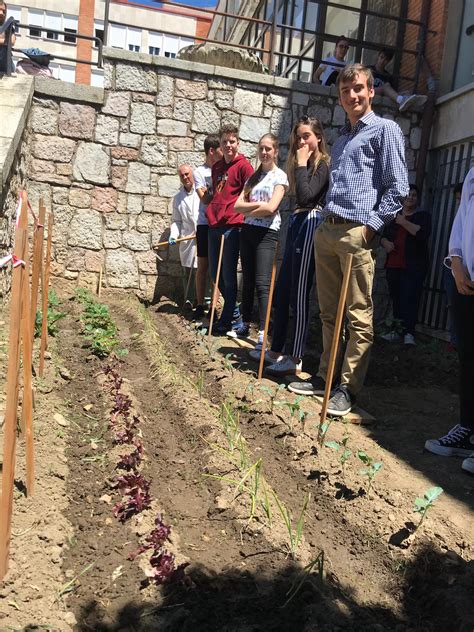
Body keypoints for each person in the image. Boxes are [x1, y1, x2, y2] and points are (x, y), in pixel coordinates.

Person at [290, 64, 409, 413]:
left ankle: (347, 388)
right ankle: (325, 376)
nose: (352, 95)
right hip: (328, 230)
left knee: (358, 315)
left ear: (371, 91)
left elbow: (398, 188)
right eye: (345, 91)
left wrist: (369, 228)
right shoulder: (341, 139)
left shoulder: (385, 130)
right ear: (340, 97)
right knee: (329, 314)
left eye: (358, 88)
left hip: (357, 233)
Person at [265, 116, 330, 376]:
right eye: (298, 138)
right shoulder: (303, 166)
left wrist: (302, 164)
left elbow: (306, 195)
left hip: (312, 222)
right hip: (297, 221)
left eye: (306, 136)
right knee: (282, 291)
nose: (301, 142)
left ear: (318, 138)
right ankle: (275, 349)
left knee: (299, 293)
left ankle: (296, 356)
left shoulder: (323, 165)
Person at [424, 167, 474, 475]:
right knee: (468, 358)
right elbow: (461, 219)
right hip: (465, 278)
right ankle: (467, 429)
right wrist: (455, 261)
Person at [232, 133, 288, 349]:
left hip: (267, 234)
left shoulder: (280, 177)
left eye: (268, 149)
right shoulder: (252, 178)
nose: (264, 152)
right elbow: (237, 206)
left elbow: (272, 208)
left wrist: (250, 208)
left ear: (276, 151)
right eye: (261, 149)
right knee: (247, 279)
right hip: (247, 230)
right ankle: (245, 323)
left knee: (263, 284)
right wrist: (258, 209)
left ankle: (264, 332)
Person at [206, 123, 254, 335]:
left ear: (238, 143)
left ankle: (225, 321)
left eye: (232, 141)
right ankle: (234, 313)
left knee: (228, 274)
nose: (228, 145)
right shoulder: (216, 167)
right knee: (215, 274)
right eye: (224, 142)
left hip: (232, 227)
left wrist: (239, 212)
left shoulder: (243, 166)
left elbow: (251, 190)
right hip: (214, 225)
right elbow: (216, 192)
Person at [380, 184, 431, 345]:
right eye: (408, 194)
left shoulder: (422, 216)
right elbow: (383, 235)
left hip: (413, 266)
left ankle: (409, 333)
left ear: (418, 198)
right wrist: (385, 242)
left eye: (414, 195)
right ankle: (396, 330)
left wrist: (403, 222)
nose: (410, 197)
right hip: (394, 264)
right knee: (396, 298)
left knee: (410, 298)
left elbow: (421, 233)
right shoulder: (394, 216)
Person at [193, 134, 223, 320]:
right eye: (220, 149)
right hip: (204, 223)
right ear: (211, 151)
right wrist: (217, 189)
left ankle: (213, 306)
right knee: (203, 265)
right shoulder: (199, 172)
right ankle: (199, 304)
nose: (223, 152)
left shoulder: (224, 170)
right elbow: (203, 198)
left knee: (217, 267)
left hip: (219, 223)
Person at [169, 164, 200, 305]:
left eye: (187, 174)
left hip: (203, 236)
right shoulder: (178, 198)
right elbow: (176, 220)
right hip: (187, 238)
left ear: (192, 174)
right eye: (182, 175)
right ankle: (188, 301)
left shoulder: (201, 192)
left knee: (203, 270)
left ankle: (204, 302)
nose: (185, 177)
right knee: (188, 271)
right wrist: (174, 235)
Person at [370, 48, 427, 113]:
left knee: (407, 93)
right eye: (381, 57)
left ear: (388, 61)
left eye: (386, 60)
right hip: (370, 91)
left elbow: (392, 92)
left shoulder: (387, 75)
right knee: (385, 86)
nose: (382, 61)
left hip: (383, 93)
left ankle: (412, 102)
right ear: (378, 56)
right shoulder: (368, 69)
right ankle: (402, 101)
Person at [443, 182, 463, 348]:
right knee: (452, 305)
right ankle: (454, 341)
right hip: (451, 266)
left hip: (466, 270)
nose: (460, 202)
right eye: (457, 199)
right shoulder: (459, 216)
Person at [0, 1, 16, 74]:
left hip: (6, 67)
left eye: (4, 11)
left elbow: (12, 41)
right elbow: (8, 41)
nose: (1, 13)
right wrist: (5, 41)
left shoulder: (7, 25)